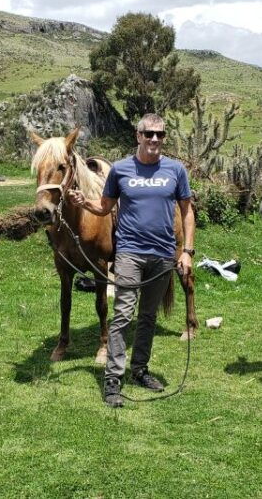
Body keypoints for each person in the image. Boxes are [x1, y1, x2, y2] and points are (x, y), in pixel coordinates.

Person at [68, 113, 195, 408]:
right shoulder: (122, 170)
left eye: (160, 135)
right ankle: (113, 378)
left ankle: (139, 369)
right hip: (128, 253)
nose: (154, 139)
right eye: (148, 134)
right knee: (124, 313)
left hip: (163, 255)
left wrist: (187, 251)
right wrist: (83, 202)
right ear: (137, 136)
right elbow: (104, 206)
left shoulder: (176, 170)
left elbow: (187, 212)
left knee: (148, 317)